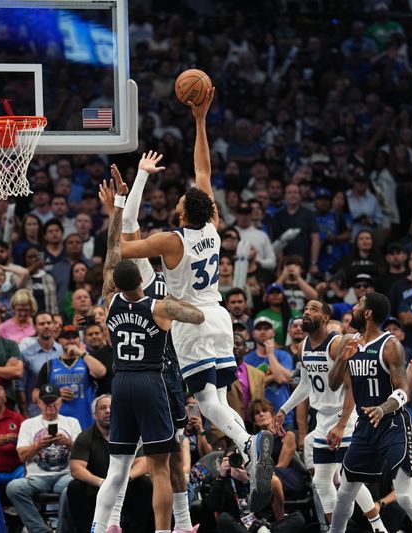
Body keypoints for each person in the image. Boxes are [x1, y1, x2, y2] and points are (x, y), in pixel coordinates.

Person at [118, 87, 273, 508]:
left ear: (183, 212)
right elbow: (204, 173)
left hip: (189, 321)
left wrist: (128, 192)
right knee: (215, 400)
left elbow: (124, 248)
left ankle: (247, 443)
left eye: (182, 199)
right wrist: (201, 121)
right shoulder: (212, 227)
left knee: (204, 401)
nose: (183, 195)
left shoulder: (172, 240)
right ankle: (246, 450)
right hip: (219, 315)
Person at [89, 173, 206, 533]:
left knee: (119, 466)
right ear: (141, 273)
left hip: (120, 381)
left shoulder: (108, 300)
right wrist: (183, 301)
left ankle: (103, 525)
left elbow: (113, 253)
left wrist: (116, 209)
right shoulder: (160, 304)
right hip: (155, 378)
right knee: (161, 465)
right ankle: (165, 529)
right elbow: (198, 315)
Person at [272, 299, 385, 531]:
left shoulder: (335, 345)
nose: (306, 312)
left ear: (324, 318)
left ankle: (378, 526)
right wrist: (284, 409)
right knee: (321, 481)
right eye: (304, 309)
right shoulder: (303, 346)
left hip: (345, 419)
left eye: (312, 309)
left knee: (348, 480)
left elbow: (353, 387)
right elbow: (304, 385)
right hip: (323, 420)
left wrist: (343, 424)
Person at [328, 292, 412, 533]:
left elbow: (404, 391)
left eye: (357, 305)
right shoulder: (348, 342)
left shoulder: (391, 345)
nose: (352, 308)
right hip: (365, 426)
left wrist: (382, 407)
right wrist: (342, 361)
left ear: (367, 313)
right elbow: (334, 384)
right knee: (345, 493)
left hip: (393, 424)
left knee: (407, 497)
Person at [68, 395, 154, 533]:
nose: (108, 411)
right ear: (95, 414)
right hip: (97, 487)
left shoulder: (130, 433)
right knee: (74, 487)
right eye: (103, 408)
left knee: (146, 483)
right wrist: (102, 482)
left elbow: (144, 464)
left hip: (126, 486)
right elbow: (76, 468)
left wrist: (123, 480)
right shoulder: (85, 437)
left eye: (112, 408)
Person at [6, 383, 82, 533]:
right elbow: (21, 456)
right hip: (36, 478)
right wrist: (37, 446)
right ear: (39, 403)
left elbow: (83, 454)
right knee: (13, 488)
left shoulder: (72, 422)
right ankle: (41, 531)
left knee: (71, 489)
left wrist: (68, 443)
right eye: (46, 402)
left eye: (54, 401)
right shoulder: (28, 424)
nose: (50, 405)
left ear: (60, 401)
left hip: (65, 475)